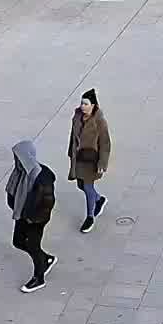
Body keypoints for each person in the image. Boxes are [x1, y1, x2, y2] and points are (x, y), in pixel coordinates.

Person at [6, 140, 56, 293]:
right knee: (18, 242)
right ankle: (46, 259)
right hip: (22, 214)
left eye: (19, 157)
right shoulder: (20, 172)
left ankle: (39, 278)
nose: (16, 160)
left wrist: (33, 218)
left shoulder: (42, 177)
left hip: (36, 218)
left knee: (33, 246)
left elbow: (47, 202)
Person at [68, 89, 112, 232]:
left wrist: (102, 163)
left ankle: (90, 217)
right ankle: (99, 199)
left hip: (91, 161)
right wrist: (71, 153)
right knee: (80, 185)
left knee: (87, 187)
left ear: (93, 105)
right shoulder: (77, 117)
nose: (83, 106)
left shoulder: (99, 121)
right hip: (79, 158)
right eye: (82, 103)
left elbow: (105, 143)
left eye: (86, 104)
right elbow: (73, 137)